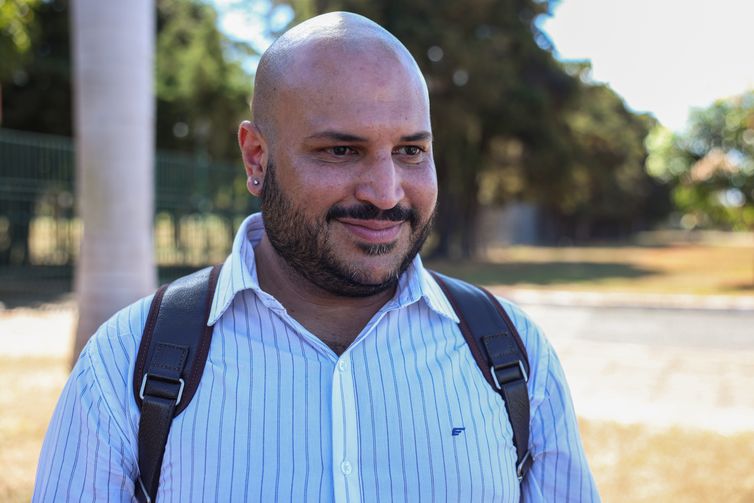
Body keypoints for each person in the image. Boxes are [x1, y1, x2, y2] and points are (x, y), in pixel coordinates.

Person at [34, 11, 600, 503]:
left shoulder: (515, 362)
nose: (385, 191)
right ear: (257, 158)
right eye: (340, 150)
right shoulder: (129, 365)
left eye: (410, 150)